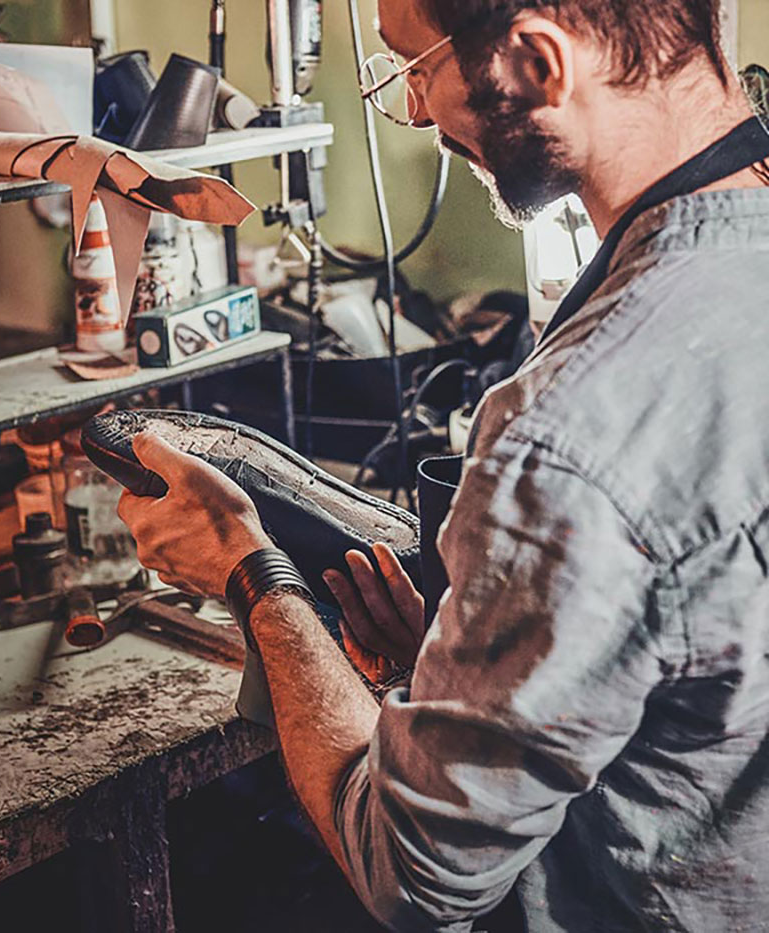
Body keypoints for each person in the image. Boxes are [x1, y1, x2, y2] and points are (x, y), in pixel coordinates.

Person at [117, 0, 769, 929]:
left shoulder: (570, 431)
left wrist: (252, 573)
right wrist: (494, 650)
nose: (416, 109)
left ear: (539, 62)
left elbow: (413, 878)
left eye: (413, 67)